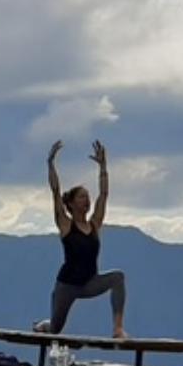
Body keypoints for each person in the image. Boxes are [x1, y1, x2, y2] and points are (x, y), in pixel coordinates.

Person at [38, 138, 126, 337]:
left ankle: (118, 328)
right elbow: (55, 191)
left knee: (118, 277)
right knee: (54, 330)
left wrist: (103, 167)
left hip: (89, 283)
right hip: (67, 286)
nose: (87, 200)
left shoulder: (94, 224)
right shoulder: (66, 224)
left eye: (87, 197)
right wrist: (50, 163)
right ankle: (43, 326)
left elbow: (104, 194)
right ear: (70, 203)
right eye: (82, 197)